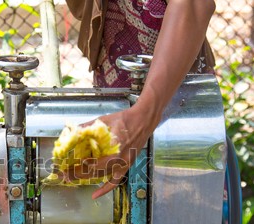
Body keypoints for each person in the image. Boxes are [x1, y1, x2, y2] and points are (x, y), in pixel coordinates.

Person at [65, 0, 217, 199]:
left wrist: (142, 117)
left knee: (184, 210)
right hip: (117, 97)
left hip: (175, 106)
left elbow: (194, 5)